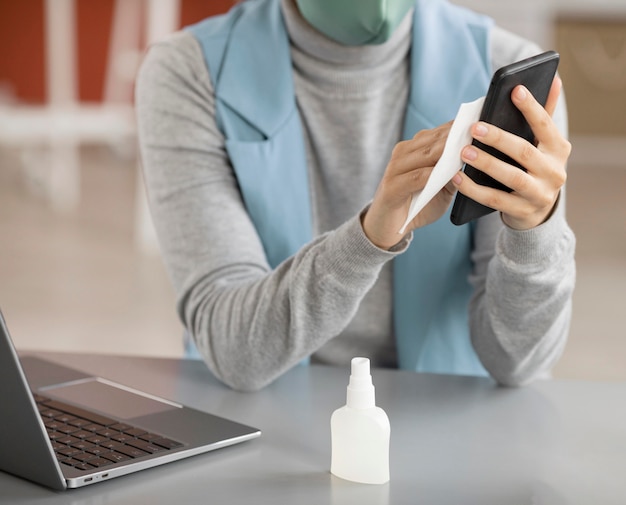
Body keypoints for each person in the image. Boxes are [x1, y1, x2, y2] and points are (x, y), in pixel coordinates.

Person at [135, 0, 576, 391]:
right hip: (260, 417)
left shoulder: (507, 70)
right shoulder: (190, 72)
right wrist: (367, 240)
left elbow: (518, 362)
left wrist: (533, 230)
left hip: (447, 415)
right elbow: (237, 352)